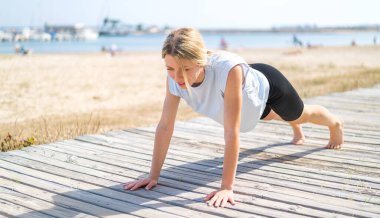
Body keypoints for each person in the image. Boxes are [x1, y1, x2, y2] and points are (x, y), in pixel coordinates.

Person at [124, 28, 344, 208]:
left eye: (185, 69)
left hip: (269, 86)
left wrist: (227, 187)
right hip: (249, 104)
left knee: (301, 114)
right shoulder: (173, 77)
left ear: (201, 61)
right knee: (268, 116)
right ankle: (294, 126)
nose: (176, 76)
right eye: (170, 68)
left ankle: (334, 123)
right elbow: (164, 126)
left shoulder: (228, 70)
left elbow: (231, 131)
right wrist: (153, 175)